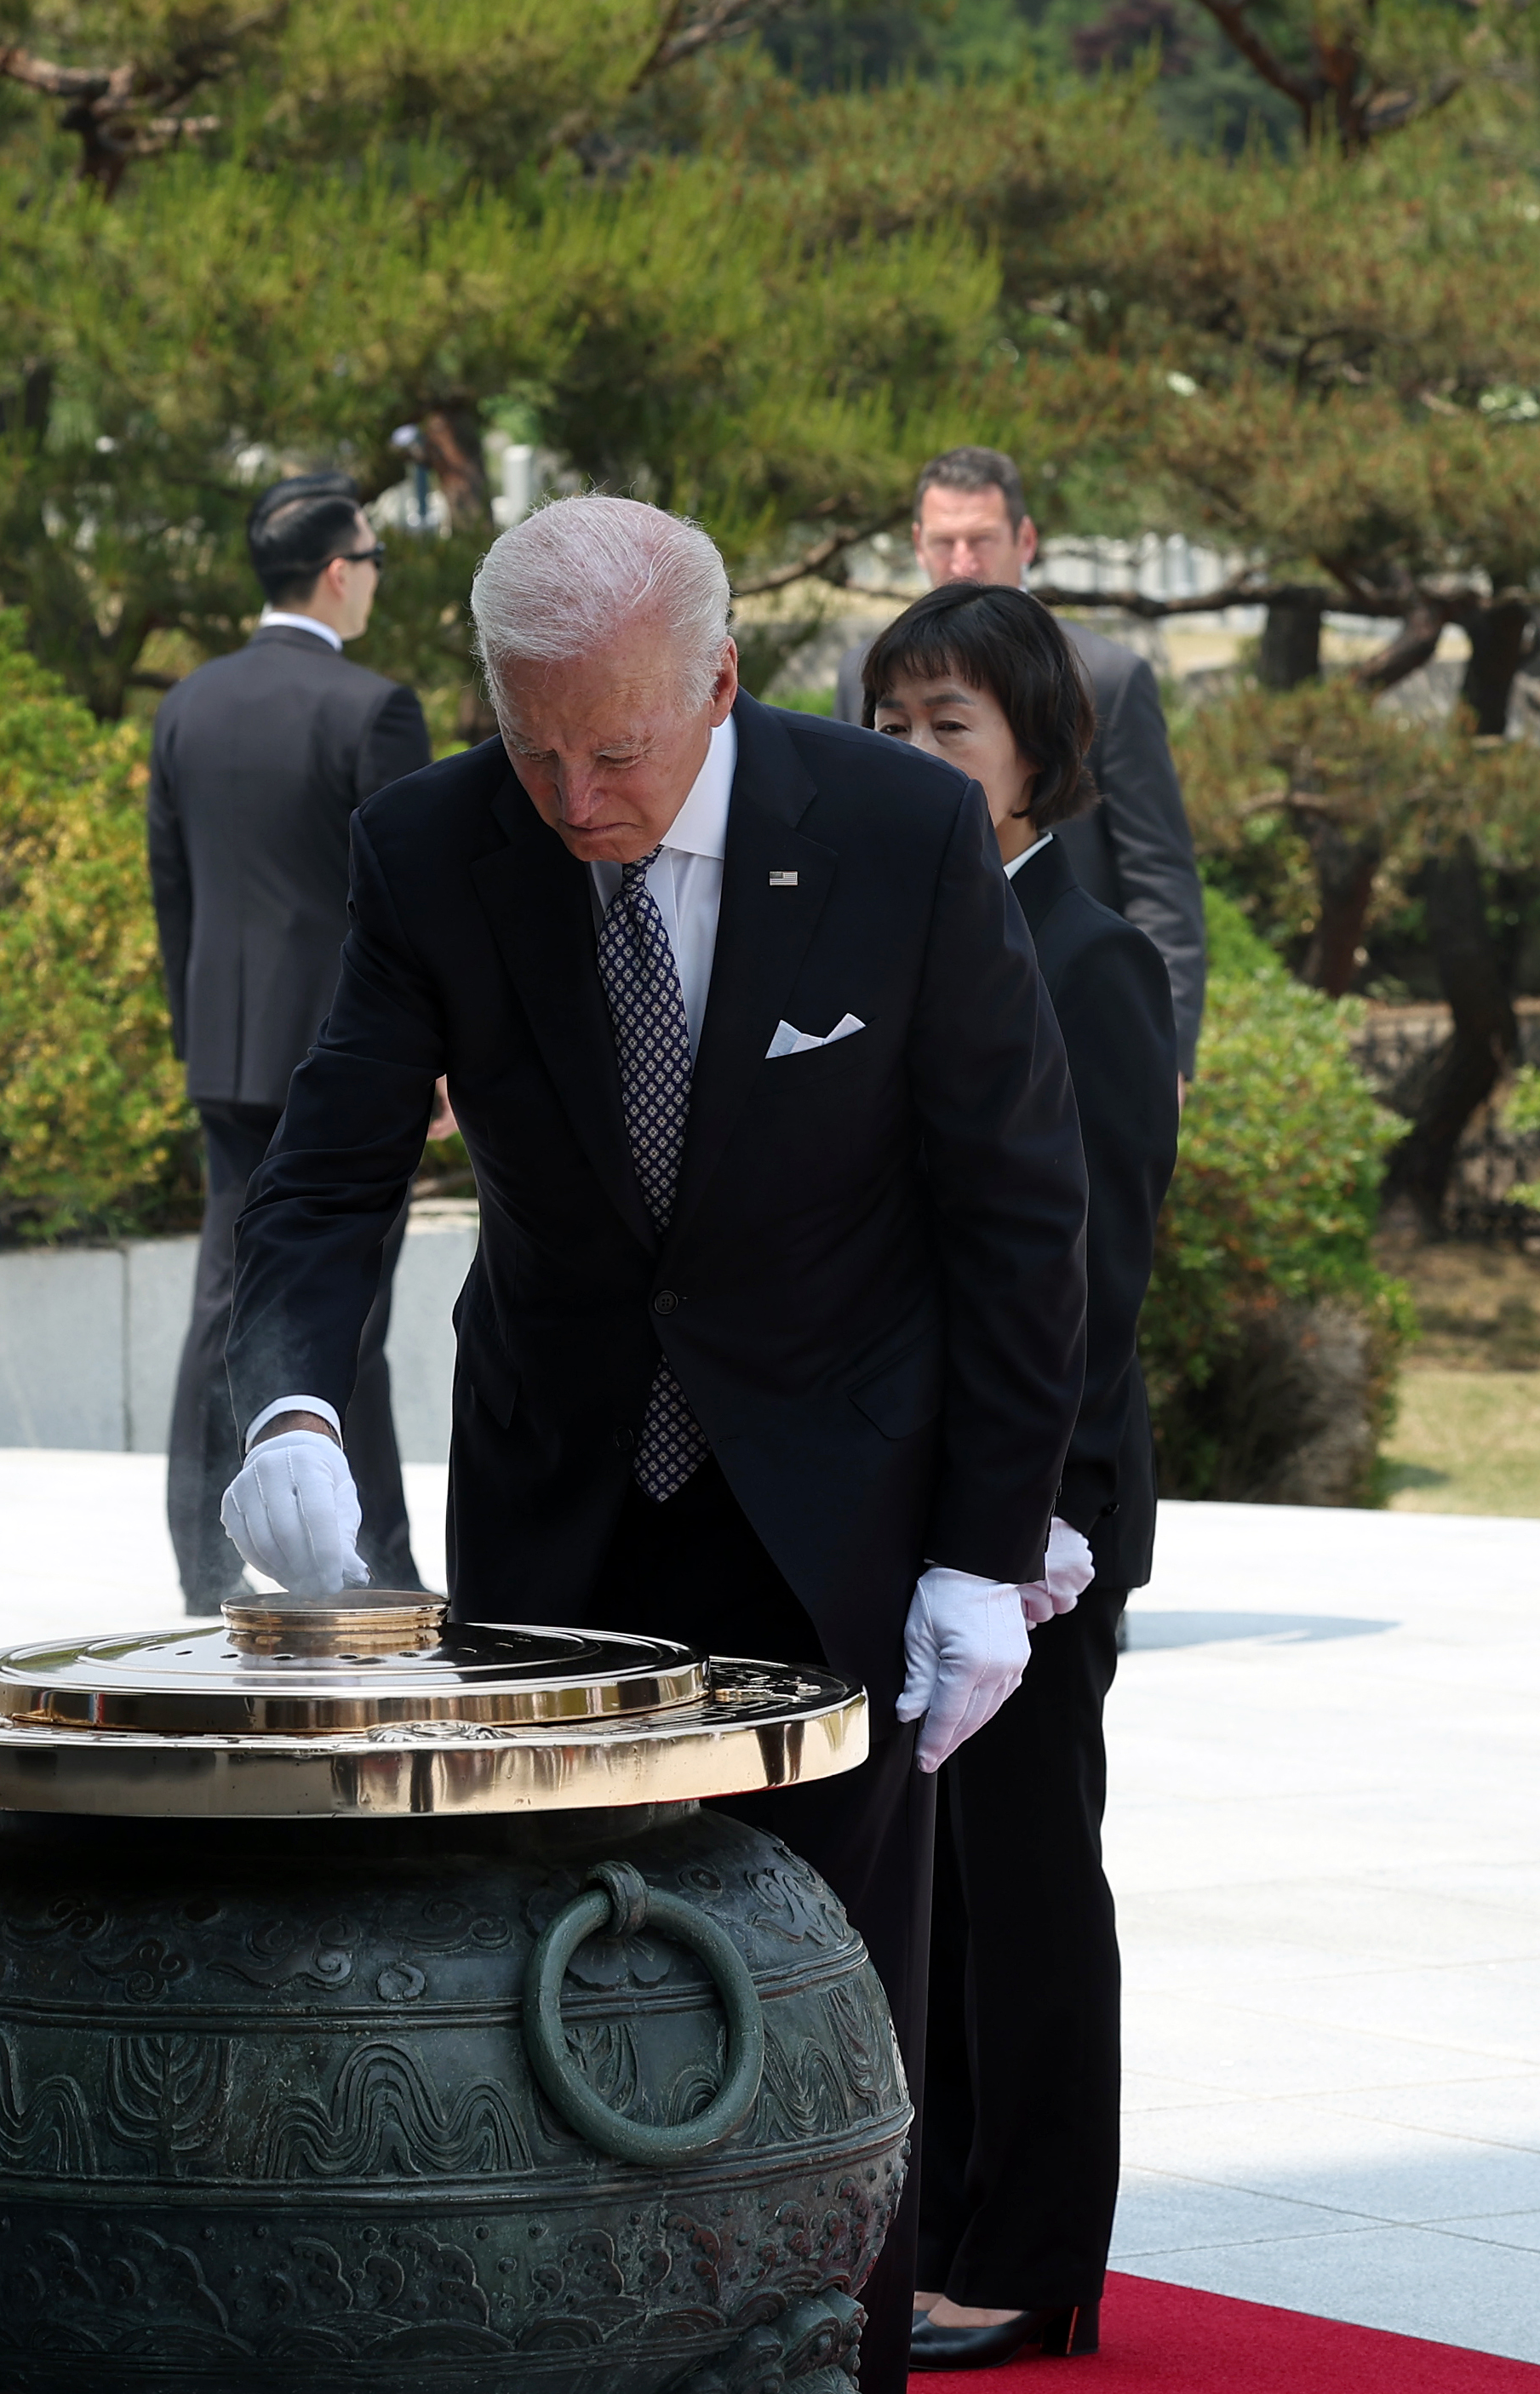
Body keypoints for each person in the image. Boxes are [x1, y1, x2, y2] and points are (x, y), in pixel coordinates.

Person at [217, 495, 1091, 2394]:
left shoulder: (892, 833)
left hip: (835, 1509)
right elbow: (325, 1176)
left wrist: (982, 1545)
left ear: (713, 681)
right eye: (531, 744)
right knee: (540, 2002)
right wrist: (285, 1391)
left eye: (613, 746)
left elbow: (1017, 1209)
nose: (572, 791)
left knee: (820, 2017)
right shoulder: (434, 847)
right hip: (562, 1505)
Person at [864, 585, 1180, 2370]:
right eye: (891, 724)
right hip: (908, 1495)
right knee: (938, 1890)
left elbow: (1094, 1275)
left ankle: (1031, 2256)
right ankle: (944, 2218)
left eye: (948, 726)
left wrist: (1024, 1522)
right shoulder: (903, 939)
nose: (911, 756)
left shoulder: (1086, 958)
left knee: (1029, 1885)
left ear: (1036, 754)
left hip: (1039, 1519)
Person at [146, 469, 437, 1610]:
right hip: (345, 1066)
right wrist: (436, 1052)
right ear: (334, 571)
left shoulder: (187, 704)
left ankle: (200, 1564)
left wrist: (199, 1037)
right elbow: (408, 910)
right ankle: (383, 1572)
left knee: (222, 1301)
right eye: (370, 559)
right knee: (342, 1314)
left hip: (225, 1056)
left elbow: (173, 895)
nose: (371, 580)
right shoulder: (372, 709)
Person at [834, 447, 1205, 1081]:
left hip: (1065, 1002)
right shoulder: (862, 669)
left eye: (979, 540)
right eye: (944, 542)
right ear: (917, 544)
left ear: (1024, 538)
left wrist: (1163, 1054)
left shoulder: (1107, 676)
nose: (961, 562)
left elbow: (1157, 875)